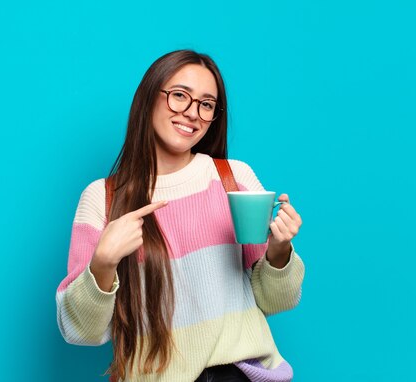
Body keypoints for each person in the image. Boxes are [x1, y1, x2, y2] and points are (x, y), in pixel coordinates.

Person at [56, 49, 305, 382]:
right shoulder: (103, 199)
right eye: (179, 96)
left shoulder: (234, 178)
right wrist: (102, 264)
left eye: (206, 104)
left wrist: (279, 252)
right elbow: (79, 331)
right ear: (149, 98)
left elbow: (276, 301)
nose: (192, 113)